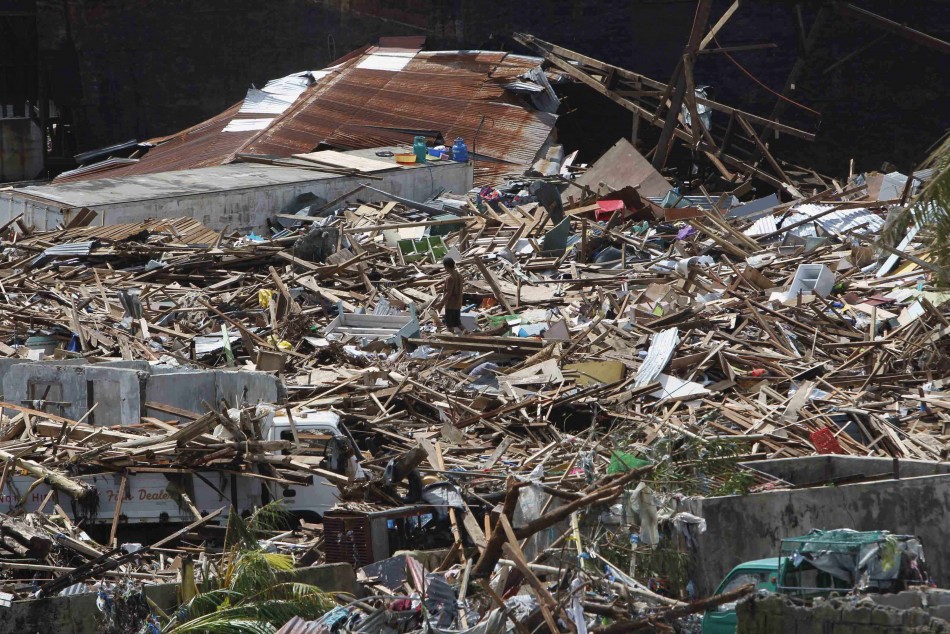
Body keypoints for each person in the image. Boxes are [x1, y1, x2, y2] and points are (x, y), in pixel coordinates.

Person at [438, 256, 464, 334]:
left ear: (446, 266)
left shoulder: (450, 278)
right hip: (458, 304)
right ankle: (469, 335)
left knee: (450, 326)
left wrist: (441, 303)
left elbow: (448, 293)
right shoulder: (459, 275)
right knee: (458, 323)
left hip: (450, 305)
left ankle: (452, 342)